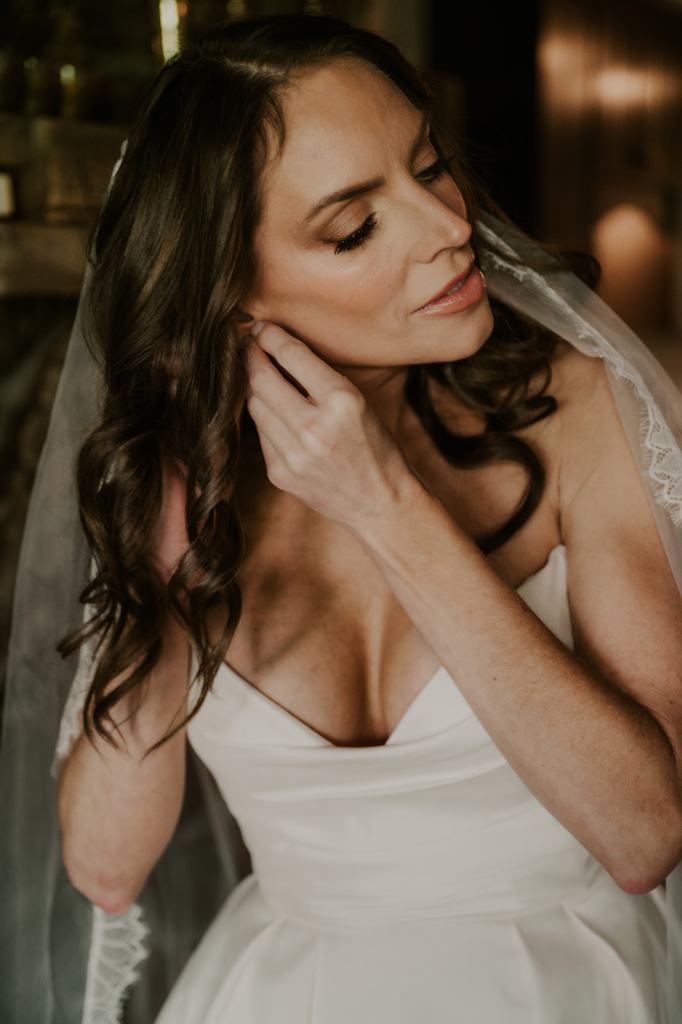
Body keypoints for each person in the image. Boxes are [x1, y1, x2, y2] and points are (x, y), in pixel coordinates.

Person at [2, 12, 682, 1024]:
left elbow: (644, 834)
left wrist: (386, 506)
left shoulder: (580, 410)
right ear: (233, 294)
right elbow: (105, 868)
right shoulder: (180, 481)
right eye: (355, 226)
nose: (447, 226)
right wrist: (164, 583)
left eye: (429, 166)